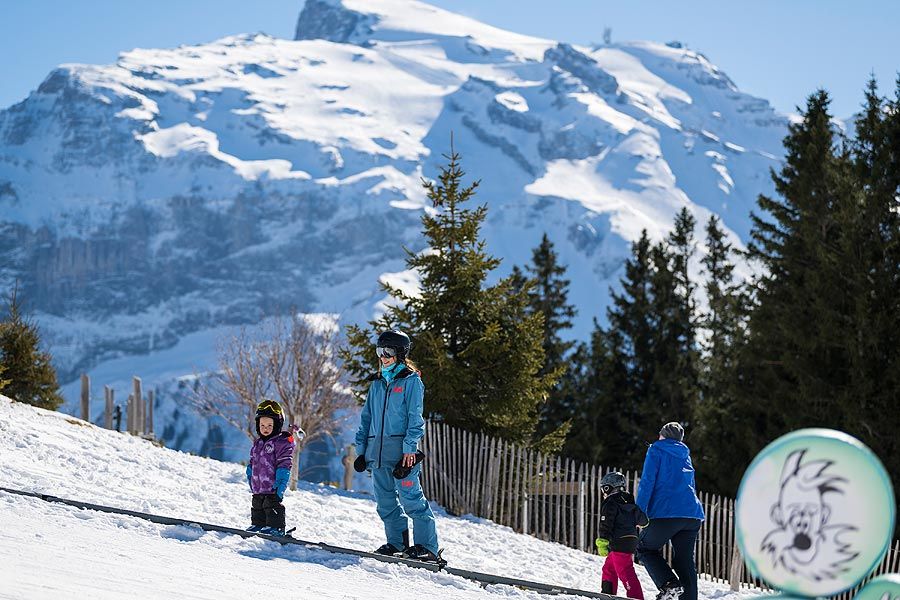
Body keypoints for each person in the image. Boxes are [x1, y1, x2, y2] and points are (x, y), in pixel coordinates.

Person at [353, 329, 440, 562]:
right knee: (385, 503)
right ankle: (396, 543)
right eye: (379, 351)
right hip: (377, 453)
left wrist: (410, 448)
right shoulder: (377, 384)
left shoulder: (411, 381)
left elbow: (415, 418)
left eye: (388, 351)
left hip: (402, 454)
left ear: (400, 354)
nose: (383, 356)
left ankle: (427, 547)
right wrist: (361, 452)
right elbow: (366, 419)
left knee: (412, 500)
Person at [636, 422, 705, 600]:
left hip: (666, 512)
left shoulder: (656, 450)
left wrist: (640, 511)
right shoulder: (685, 454)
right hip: (692, 515)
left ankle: (670, 586)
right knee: (684, 560)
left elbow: (647, 481)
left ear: (664, 435)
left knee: (644, 548)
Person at [246, 399, 296, 536]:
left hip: (273, 486)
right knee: (257, 505)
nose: (265, 428)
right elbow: (253, 461)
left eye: (269, 425)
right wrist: (250, 474)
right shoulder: (258, 443)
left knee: (271, 505)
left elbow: (284, 464)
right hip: (258, 487)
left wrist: (281, 483)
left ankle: (276, 527)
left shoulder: (281, 442)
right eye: (262, 425)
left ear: (277, 425)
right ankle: (258, 525)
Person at [595, 471, 648, 599]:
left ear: (608, 487)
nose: (603, 492)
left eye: (604, 488)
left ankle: (636, 597)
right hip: (631, 540)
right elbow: (644, 522)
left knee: (625, 572)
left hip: (618, 541)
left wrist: (602, 541)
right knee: (609, 568)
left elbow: (606, 522)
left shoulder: (610, 502)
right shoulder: (630, 503)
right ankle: (608, 594)